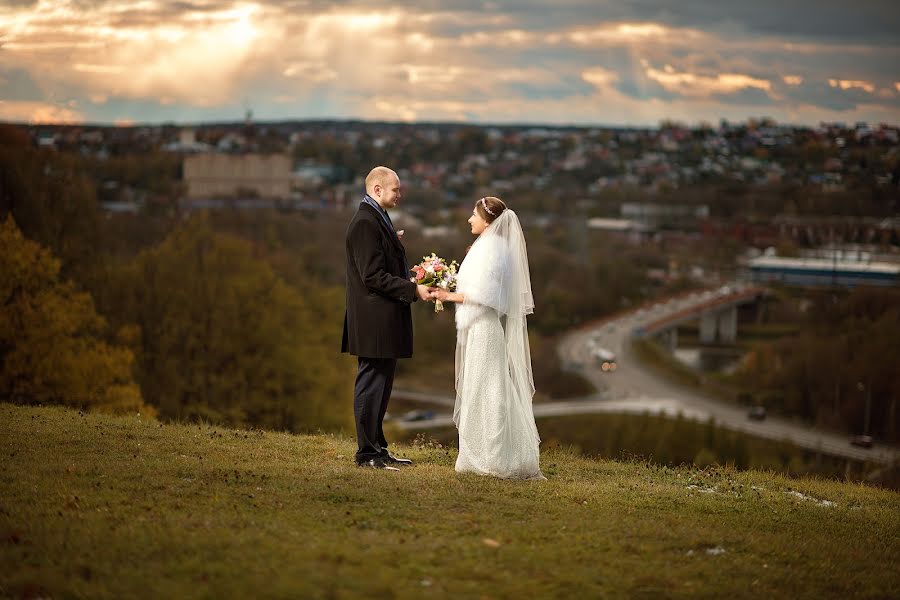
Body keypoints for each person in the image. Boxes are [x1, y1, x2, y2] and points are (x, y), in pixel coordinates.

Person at [431, 197, 544, 480]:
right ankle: (484, 453)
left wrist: (446, 295)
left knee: (488, 389)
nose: (470, 219)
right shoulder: (490, 247)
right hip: (479, 327)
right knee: (482, 387)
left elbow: (484, 298)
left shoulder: (492, 249)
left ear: (488, 220)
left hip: (484, 328)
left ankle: (493, 457)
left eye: (474, 214)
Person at [342, 166, 433, 469]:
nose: (400, 194)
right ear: (377, 189)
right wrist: (413, 289)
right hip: (373, 320)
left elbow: (382, 266)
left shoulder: (376, 217)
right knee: (371, 384)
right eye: (395, 189)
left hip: (383, 318)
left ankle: (378, 448)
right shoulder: (365, 223)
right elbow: (372, 276)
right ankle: (366, 453)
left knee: (382, 386)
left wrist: (412, 274)